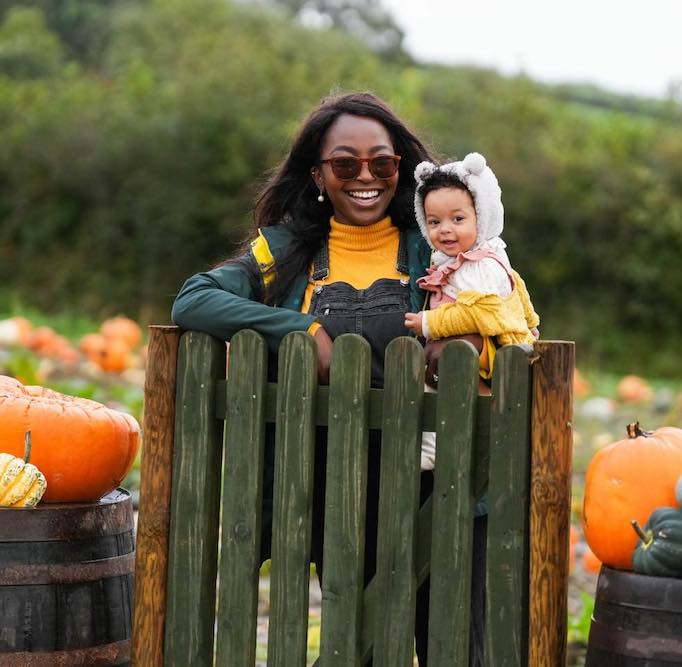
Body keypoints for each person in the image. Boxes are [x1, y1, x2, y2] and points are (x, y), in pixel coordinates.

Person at [171, 92, 485, 665]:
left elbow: (503, 305)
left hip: (426, 483)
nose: (365, 177)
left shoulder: (433, 246)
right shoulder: (285, 251)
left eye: (381, 163)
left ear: (400, 170)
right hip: (321, 486)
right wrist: (299, 328)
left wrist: (466, 335)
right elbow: (194, 300)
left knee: (445, 639)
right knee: (356, 640)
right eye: (345, 164)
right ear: (318, 174)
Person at [403, 152, 540, 470]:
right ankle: (456, 434)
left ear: (483, 215)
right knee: (433, 370)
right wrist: (531, 321)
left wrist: (428, 322)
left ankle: (435, 444)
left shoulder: (480, 265)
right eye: (434, 222)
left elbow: (476, 314)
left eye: (458, 219)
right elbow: (518, 287)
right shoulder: (467, 259)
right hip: (482, 343)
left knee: (437, 360)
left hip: (489, 345)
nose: (445, 230)